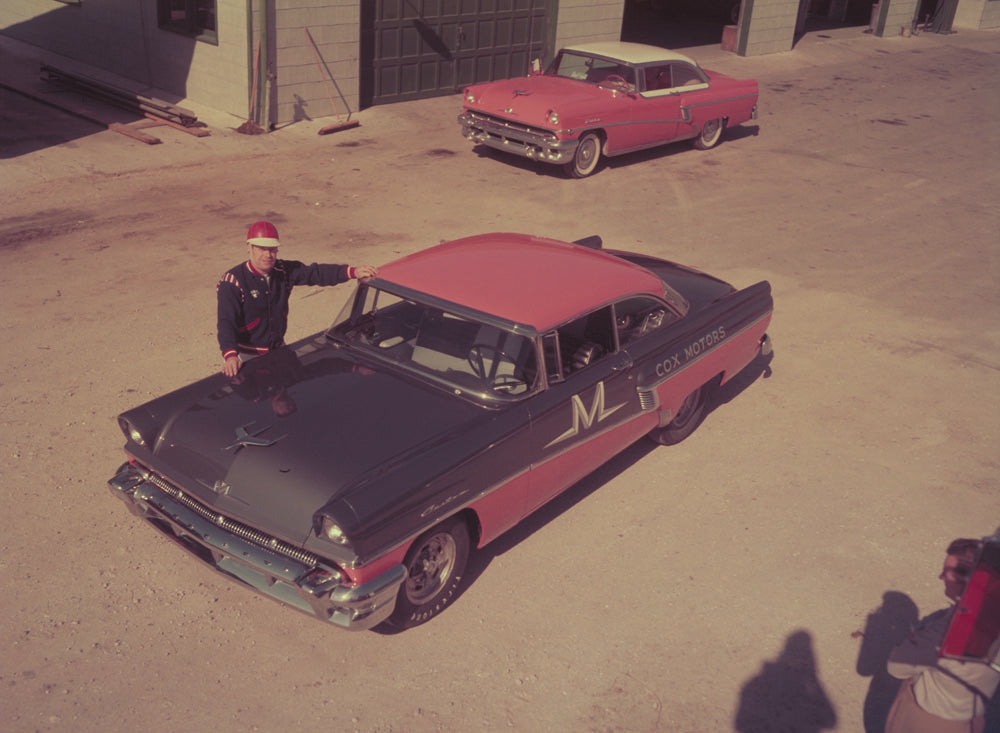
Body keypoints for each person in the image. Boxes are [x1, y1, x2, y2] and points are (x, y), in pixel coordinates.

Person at [216, 221, 377, 377]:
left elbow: (316, 273)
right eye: (262, 249)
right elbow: (226, 321)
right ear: (249, 248)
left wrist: (351, 272)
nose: (268, 255)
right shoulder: (232, 282)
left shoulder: (283, 270)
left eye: (272, 249)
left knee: (291, 386)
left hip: (280, 349)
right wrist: (230, 355)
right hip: (250, 356)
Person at [884, 537, 1000, 733]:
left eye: (947, 571)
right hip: (974, 719)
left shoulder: (948, 630)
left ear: (968, 579)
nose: (940, 577)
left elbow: (896, 668)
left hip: (928, 721)